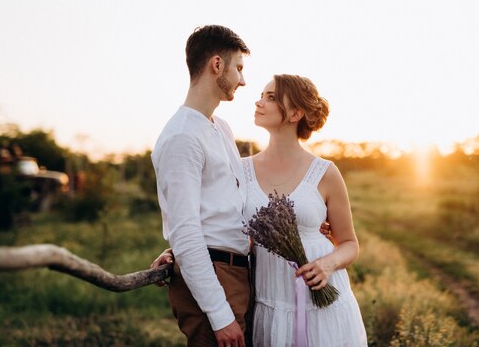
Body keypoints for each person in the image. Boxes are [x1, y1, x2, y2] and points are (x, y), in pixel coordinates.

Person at [241, 74, 368, 346]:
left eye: (271, 97)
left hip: (324, 306)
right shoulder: (241, 171)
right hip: (272, 305)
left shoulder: (325, 173)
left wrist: (327, 264)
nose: (259, 102)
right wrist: (176, 252)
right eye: (262, 95)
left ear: (295, 113)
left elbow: (349, 243)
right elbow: (221, 228)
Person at [150, 25, 252, 347]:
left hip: (236, 273)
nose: (243, 80)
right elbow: (187, 231)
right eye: (239, 68)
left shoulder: (220, 127)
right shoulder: (182, 137)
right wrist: (220, 316)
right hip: (215, 279)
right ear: (217, 65)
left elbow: (233, 203)